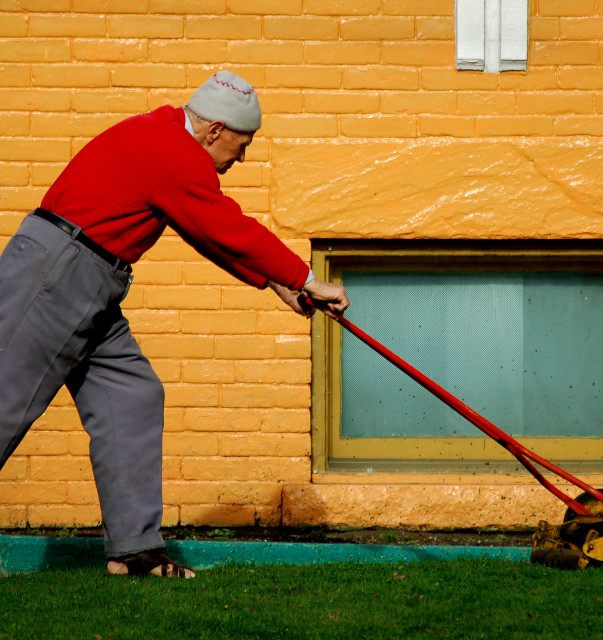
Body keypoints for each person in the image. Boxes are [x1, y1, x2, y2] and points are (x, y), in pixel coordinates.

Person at [0, 70, 349, 579]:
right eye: (242, 144)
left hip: (90, 277)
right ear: (213, 132)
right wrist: (305, 277)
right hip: (59, 276)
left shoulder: (166, 136)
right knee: (7, 401)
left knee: (132, 395)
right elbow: (224, 224)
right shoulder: (174, 153)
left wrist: (275, 282)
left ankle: (135, 551)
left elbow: (202, 230)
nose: (242, 157)